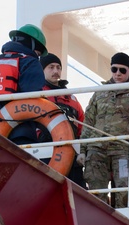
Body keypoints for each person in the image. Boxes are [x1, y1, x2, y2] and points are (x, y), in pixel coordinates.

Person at [81, 52, 129, 208]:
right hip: (96, 148)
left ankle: (123, 224)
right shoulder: (100, 92)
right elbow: (89, 120)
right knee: (95, 190)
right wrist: (82, 150)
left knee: (124, 191)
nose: (118, 74)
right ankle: (99, 223)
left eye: (122, 70)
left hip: (122, 150)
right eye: (114, 69)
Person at [40, 53, 87, 187]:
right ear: (42, 70)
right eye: (51, 67)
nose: (56, 71)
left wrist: (81, 149)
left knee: (79, 189)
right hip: (47, 151)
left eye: (58, 67)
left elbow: (81, 125)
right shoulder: (36, 94)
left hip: (71, 152)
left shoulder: (71, 98)